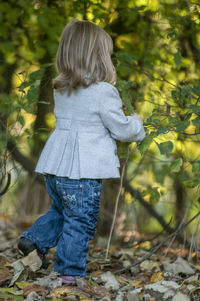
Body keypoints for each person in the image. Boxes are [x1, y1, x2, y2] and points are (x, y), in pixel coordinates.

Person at [18, 19, 145, 285]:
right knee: (81, 222)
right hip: (81, 174)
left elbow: (87, 119)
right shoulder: (104, 92)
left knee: (62, 212)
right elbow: (122, 129)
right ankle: (70, 274)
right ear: (99, 57)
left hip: (56, 168)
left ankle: (35, 239)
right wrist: (136, 122)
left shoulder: (63, 89)